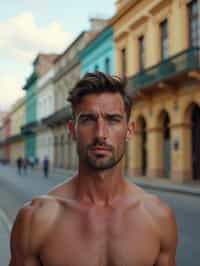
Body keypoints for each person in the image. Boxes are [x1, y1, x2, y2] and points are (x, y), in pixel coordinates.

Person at [9, 72, 177, 266]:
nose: (100, 134)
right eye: (88, 120)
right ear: (72, 131)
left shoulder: (158, 217)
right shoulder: (36, 219)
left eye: (113, 120)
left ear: (129, 131)